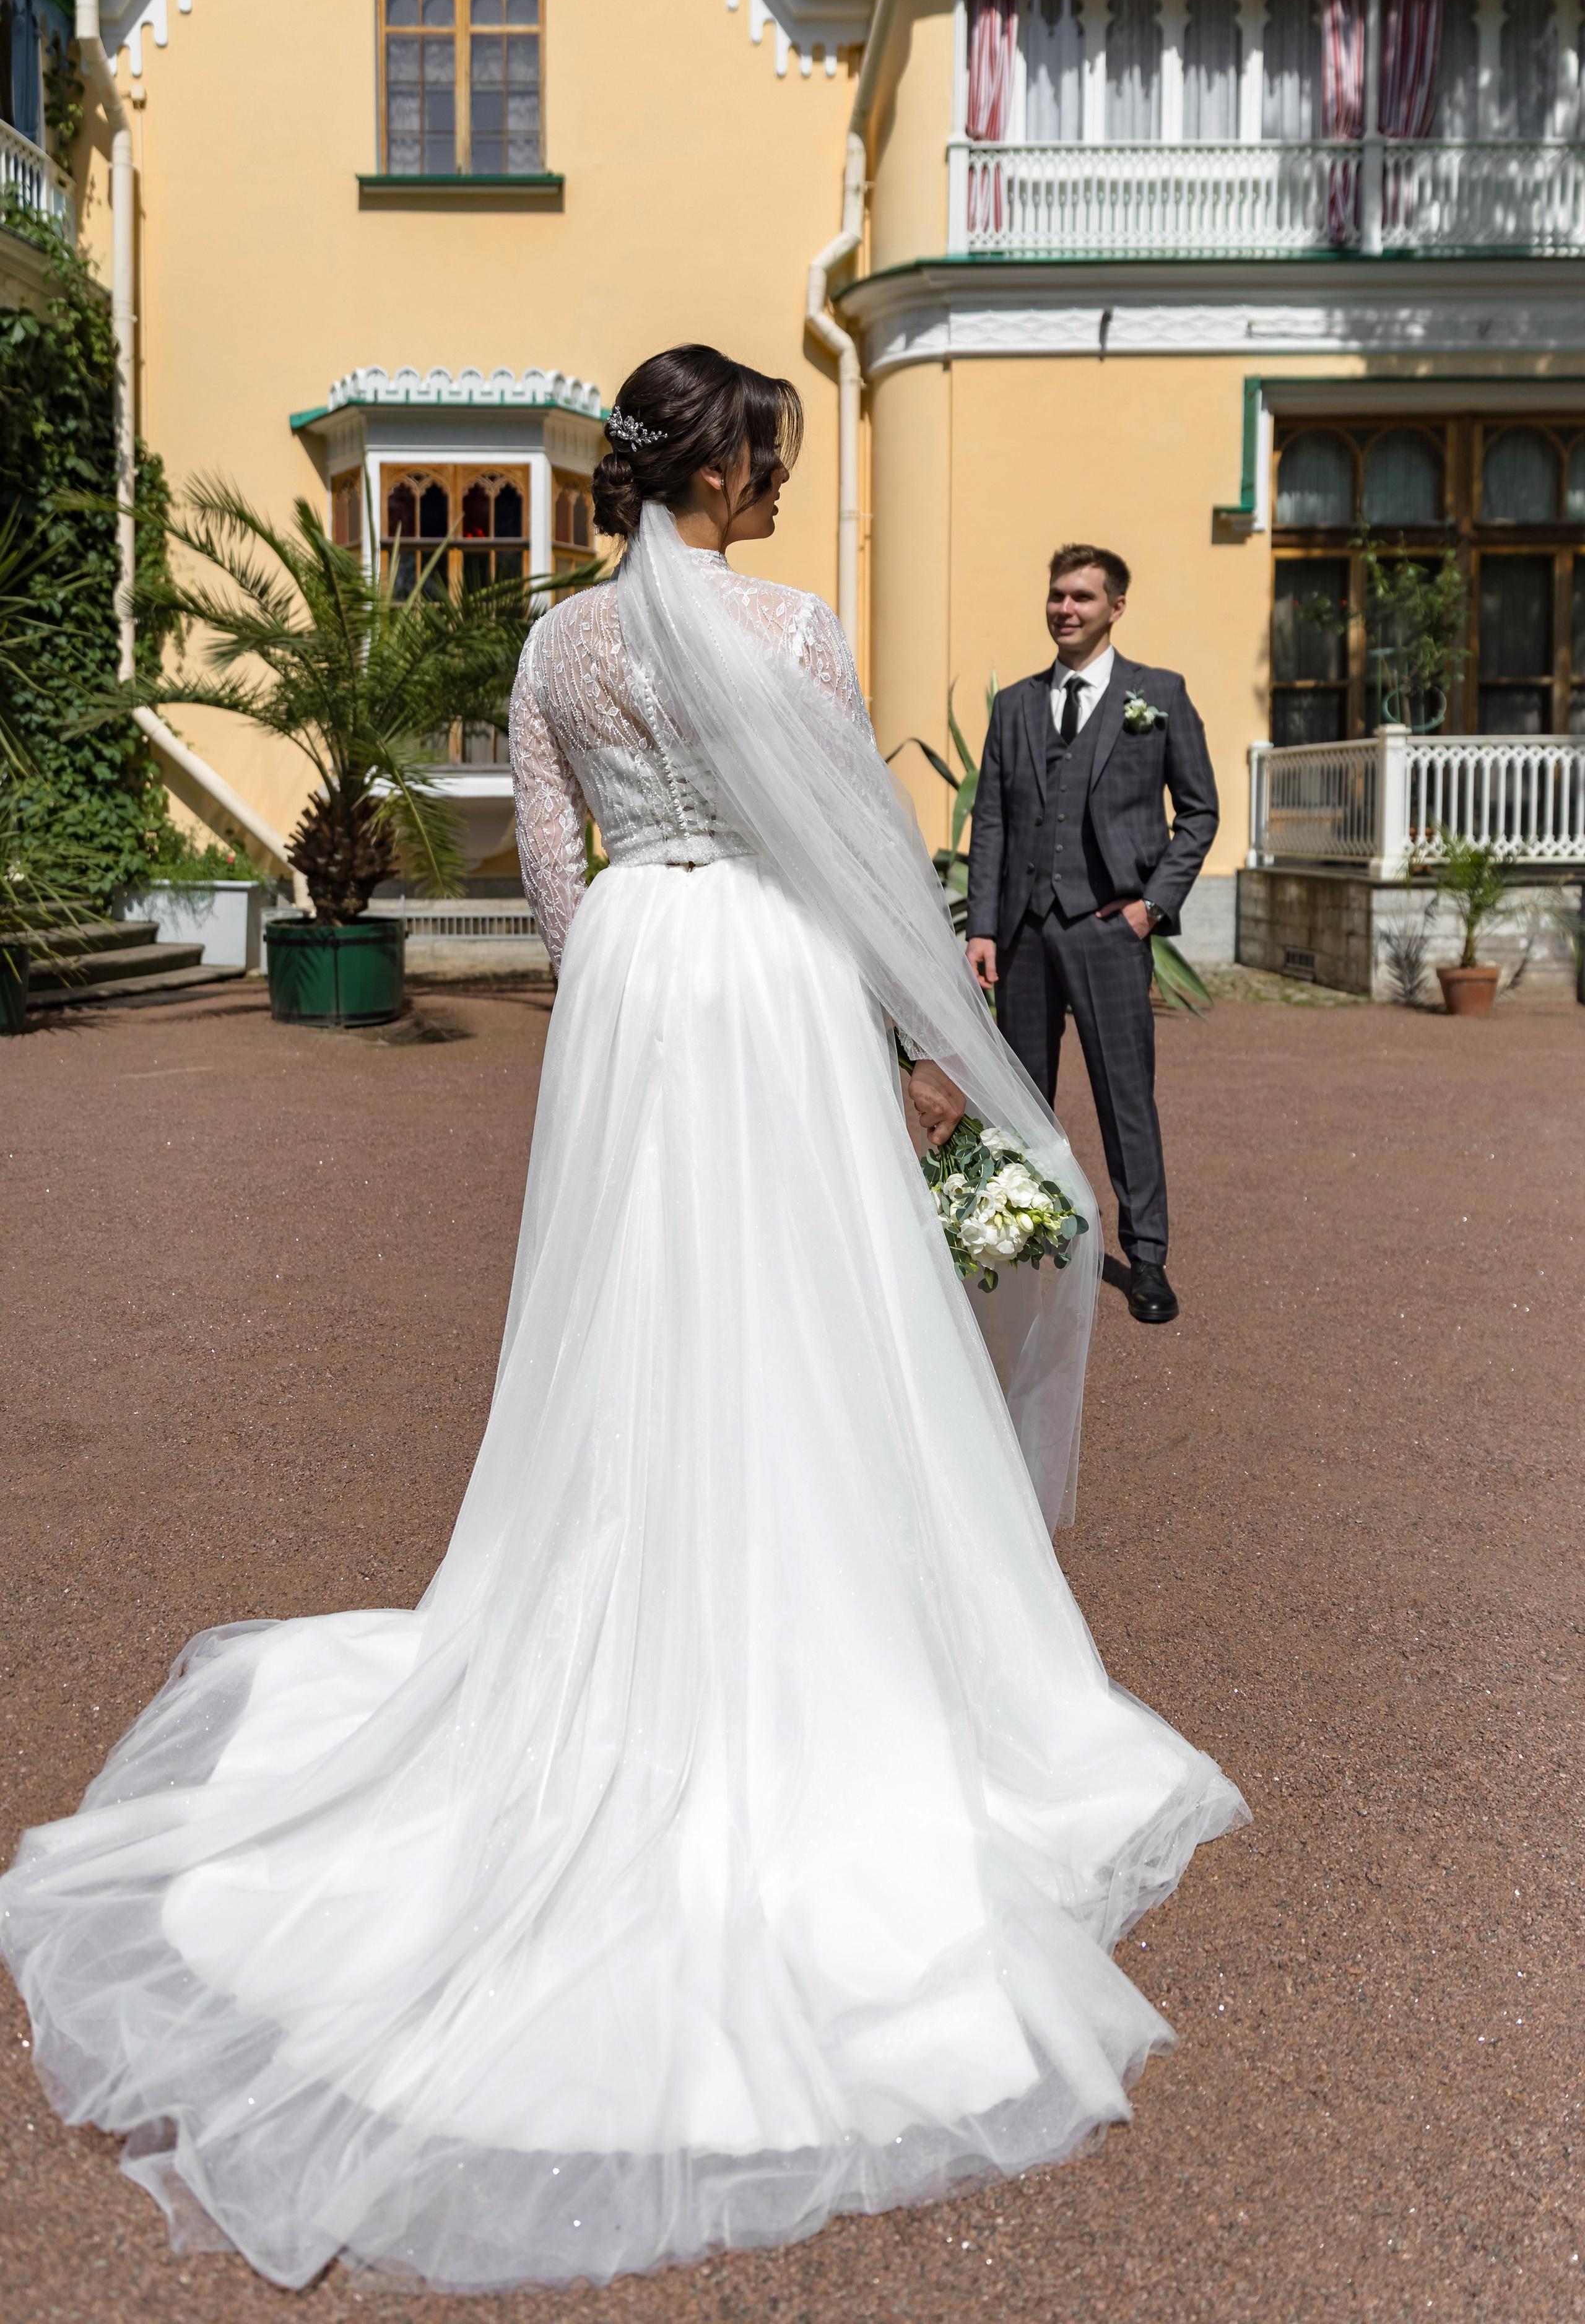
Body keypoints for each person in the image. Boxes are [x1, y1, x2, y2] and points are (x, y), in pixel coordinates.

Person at [0, 351, 1244, 2296]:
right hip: (753, 972)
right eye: (768, 454)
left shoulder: (562, 642)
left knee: (637, 1311)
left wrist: (620, 1018)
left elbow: (562, 876)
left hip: (643, 994)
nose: (773, 481)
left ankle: (622, 1604)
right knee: (803, 1318)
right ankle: (813, 1632)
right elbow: (844, 847)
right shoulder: (790, 625)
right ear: (724, 467)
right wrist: (922, 1047)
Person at [965, 547, 1219, 1327]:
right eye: (1055, 596)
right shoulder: (1013, 705)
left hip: (1110, 930)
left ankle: (1147, 1259)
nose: (1064, 609)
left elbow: (1199, 813)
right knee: (1021, 1100)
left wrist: (1152, 906)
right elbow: (995, 823)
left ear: (1115, 607)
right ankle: (1021, 1242)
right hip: (1025, 935)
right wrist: (982, 927)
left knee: (1123, 1099)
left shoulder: (1159, 695)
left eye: (1081, 597)